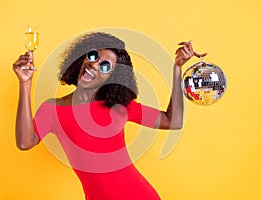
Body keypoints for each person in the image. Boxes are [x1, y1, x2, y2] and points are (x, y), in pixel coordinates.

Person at [13, 32, 207, 200]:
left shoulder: (118, 107)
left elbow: (173, 121)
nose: (94, 65)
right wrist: (25, 84)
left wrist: (177, 69)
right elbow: (24, 142)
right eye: (92, 55)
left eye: (105, 66)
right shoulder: (52, 109)